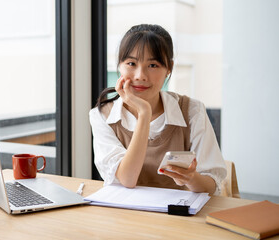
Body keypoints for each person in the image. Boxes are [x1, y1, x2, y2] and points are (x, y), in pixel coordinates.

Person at [89, 24, 226, 195]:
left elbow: (211, 185)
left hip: (181, 216)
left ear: (169, 68)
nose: (140, 75)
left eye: (153, 65)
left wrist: (191, 179)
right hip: (125, 216)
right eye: (131, 63)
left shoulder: (192, 110)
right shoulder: (102, 116)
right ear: (119, 66)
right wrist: (144, 113)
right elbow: (127, 179)